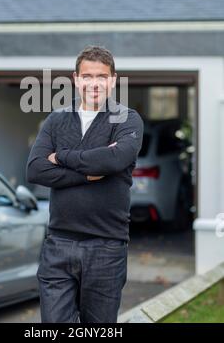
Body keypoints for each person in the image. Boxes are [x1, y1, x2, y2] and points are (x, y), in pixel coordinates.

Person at [26, 45, 144, 323]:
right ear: (76, 79)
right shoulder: (56, 120)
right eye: (87, 76)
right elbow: (35, 170)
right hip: (59, 244)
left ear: (113, 80)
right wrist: (86, 173)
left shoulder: (127, 118)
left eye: (102, 77)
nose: (94, 83)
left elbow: (114, 161)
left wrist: (61, 157)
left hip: (106, 247)